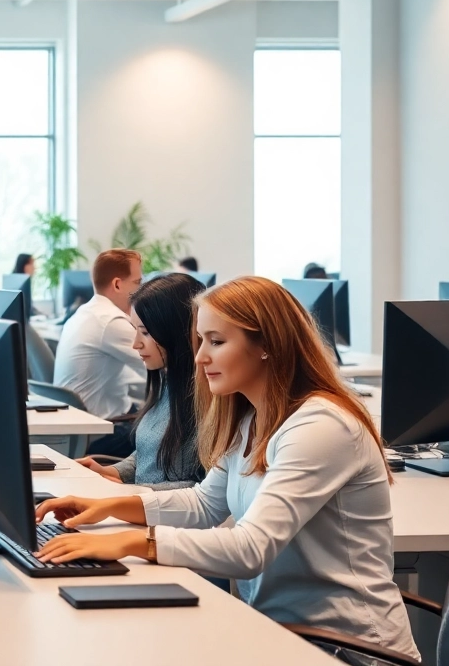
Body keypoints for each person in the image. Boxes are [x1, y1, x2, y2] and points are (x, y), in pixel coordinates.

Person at [34, 277, 418, 661]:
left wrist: (135, 541)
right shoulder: (252, 417)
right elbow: (205, 504)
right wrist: (109, 506)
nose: (200, 357)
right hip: (284, 636)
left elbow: (251, 548)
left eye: (216, 342)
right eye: (200, 341)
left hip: (350, 648)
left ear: (267, 345)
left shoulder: (320, 426)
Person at [75, 273, 205, 490]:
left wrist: (134, 492)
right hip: (141, 509)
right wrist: (110, 471)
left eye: (144, 332)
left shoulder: (208, 399)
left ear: (174, 331)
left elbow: (207, 492)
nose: (136, 344)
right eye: (135, 330)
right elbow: (147, 454)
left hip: (167, 518)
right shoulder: (167, 383)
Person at [52, 249, 146, 456]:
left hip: (80, 428)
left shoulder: (86, 312)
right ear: (118, 284)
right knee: (173, 434)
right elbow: (159, 365)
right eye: (138, 283)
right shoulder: (110, 321)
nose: (141, 291)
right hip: (103, 432)